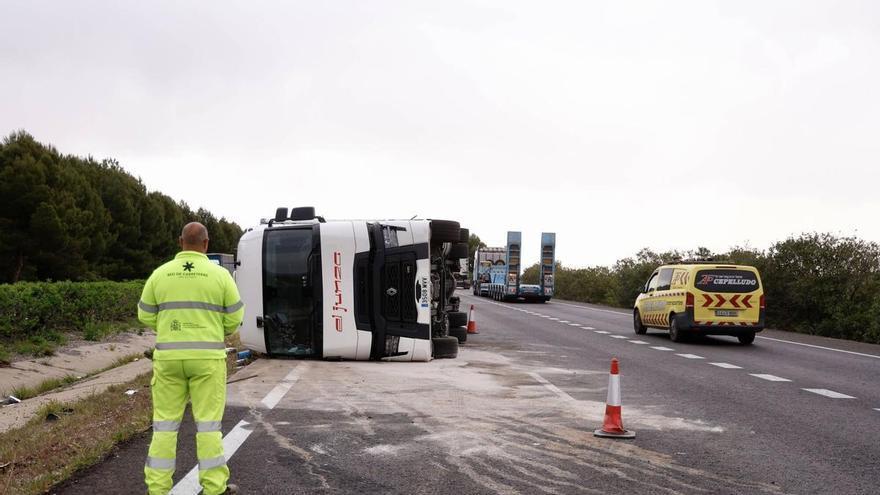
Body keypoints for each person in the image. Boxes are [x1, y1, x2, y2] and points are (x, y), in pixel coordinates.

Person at [138, 222, 245, 495]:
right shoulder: (220, 275)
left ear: (180, 242)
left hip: (169, 360)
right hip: (207, 359)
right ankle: (214, 488)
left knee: (164, 425)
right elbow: (235, 317)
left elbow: (145, 314)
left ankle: (158, 489)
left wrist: (169, 328)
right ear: (206, 244)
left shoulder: (160, 274)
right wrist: (214, 330)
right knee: (208, 426)